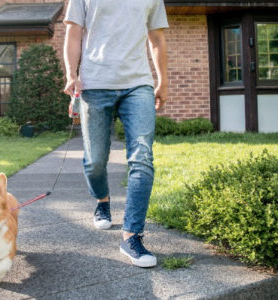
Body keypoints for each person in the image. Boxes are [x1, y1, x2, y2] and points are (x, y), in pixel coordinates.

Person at [63, 0, 169, 268]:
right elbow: (73, 33)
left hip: (138, 83)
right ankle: (102, 200)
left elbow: (156, 37)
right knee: (95, 160)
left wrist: (162, 81)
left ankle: (132, 235)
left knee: (142, 156)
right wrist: (70, 75)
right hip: (94, 83)